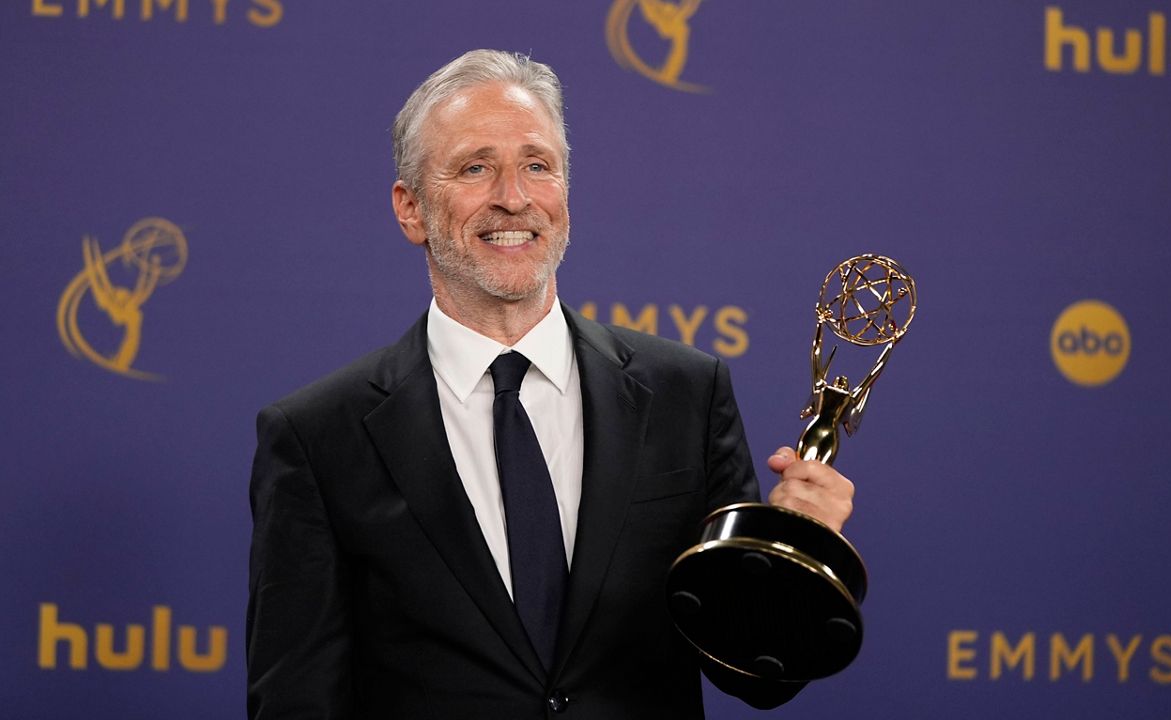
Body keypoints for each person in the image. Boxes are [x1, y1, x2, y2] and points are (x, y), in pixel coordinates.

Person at [247, 49, 855, 719]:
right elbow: (294, 700)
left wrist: (797, 556)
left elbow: (757, 676)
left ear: (565, 191)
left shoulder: (686, 392)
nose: (514, 197)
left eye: (538, 165)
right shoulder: (317, 435)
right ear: (411, 209)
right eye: (475, 168)